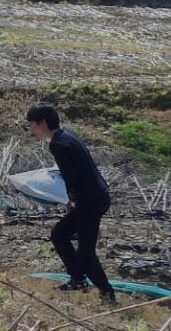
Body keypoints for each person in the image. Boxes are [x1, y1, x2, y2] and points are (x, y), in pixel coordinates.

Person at [26, 105, 116, 303]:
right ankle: (77, 279)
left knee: (85, 254)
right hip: (96, 197)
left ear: (43, 123)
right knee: (59, 233)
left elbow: (72, 179)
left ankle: (107, 294)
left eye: (32, 125)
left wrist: (57, 195)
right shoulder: (67, 135)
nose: (31, 129)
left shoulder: (57, 144)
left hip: (89, 201)